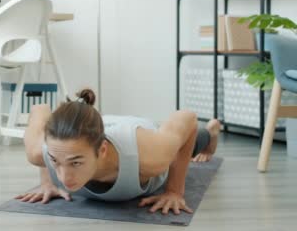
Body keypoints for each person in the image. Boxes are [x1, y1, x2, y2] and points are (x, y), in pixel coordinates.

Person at [15, 88, 221, 215]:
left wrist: (174, 191)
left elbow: (187, 118)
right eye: (55, 162)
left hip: (135, 132)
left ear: (102, 150)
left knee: (188, 145)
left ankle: (211, 131)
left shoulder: (150, 157)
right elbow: (39, 109)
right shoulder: (40, 151)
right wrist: (46, 182)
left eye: (76, 163)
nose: (64, 177)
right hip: (101, 126)